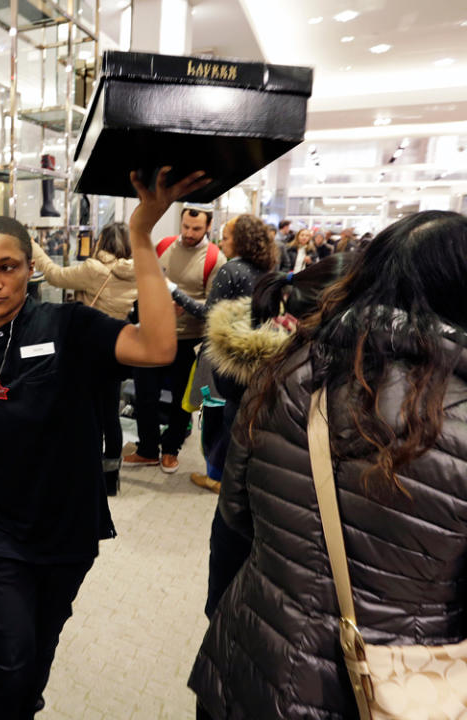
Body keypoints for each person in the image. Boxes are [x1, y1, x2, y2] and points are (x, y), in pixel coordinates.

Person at [0, 167, 209, 719]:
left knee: (41, 645)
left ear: (29, 269)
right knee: (10, 656)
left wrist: (140, 237)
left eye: (7, 268)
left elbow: (160, 347)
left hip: (67, 527)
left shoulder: (71, 327)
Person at [189, 210, 467, 720]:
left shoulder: (288, 371)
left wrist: (221, 615)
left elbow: (233, 521)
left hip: (252, 651)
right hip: (397, 683)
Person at [198, 253, 358, 620]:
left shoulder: (255, 361)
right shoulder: (311, 381)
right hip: (289, 555)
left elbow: (235, 503)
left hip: (243, 535)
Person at [166, 214, 277, 492]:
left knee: (215, 416)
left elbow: (209, 313)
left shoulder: (230, 269)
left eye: (226, 237)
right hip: (255, 354)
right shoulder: (267, 269)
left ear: (239, 241)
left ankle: (215, 476)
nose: (221, 242)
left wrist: (174, 292)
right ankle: (233, 474)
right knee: (239, 416)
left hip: (224, 355)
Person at [30, 222, 137, 495]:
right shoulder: (135, 272)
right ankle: (111, 479)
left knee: (87, 414)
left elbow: (54, 275)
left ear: (102, 242)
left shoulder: (94, 270)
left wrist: (31, 245)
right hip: (118, 349)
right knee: (110, 414)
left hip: (91, 348)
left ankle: (86, 474)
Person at [123, 203, 227, 473]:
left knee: (182, 400)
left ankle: (170, 450)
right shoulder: (164, 245)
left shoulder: (215, 258)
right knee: (146, 394)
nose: (189, 232)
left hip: (187, 339)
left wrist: (186, 303)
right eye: (186, 227)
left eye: (196, 228)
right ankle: (147, 449)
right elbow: (145, 279)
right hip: (152, 333)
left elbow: (215, 305)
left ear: (208, 227)